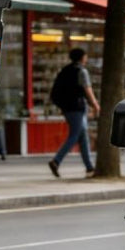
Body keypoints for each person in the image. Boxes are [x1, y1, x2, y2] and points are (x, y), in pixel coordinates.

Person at [48, 47, 100, 178]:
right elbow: (87, 90)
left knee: (83, 137)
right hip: (77, 108)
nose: (86, 58)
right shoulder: (82, 71)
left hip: (67, 109)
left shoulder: (65, 70)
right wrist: (95, 105)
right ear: (82, 58)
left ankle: (89, 167)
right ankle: (56, 161)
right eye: (85, 56)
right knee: (75, 135)